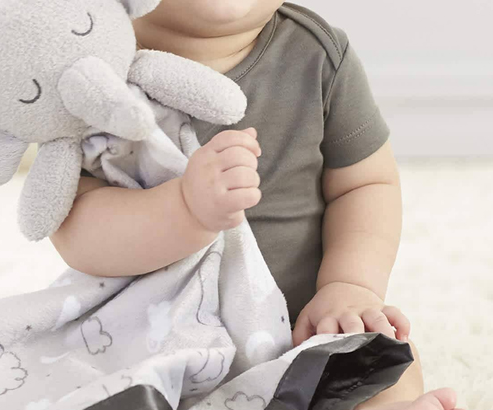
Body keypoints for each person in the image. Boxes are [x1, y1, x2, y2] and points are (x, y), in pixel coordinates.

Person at [51, 1, 460, 409]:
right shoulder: (90, 72)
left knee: (386, 361)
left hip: (303, 331)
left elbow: (365, 185)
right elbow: (75, 229)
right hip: (150, 343)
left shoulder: (317, 54)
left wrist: (349, 285)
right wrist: (183, 210)